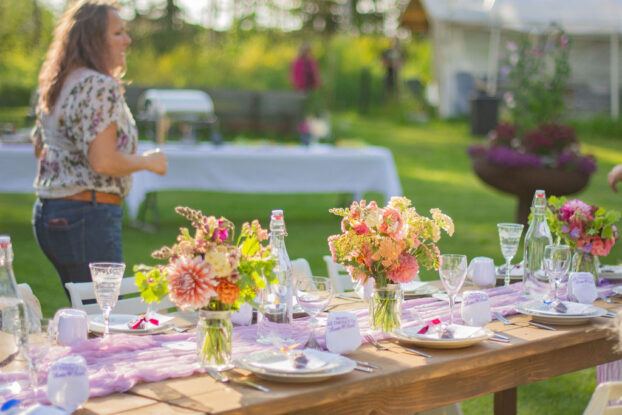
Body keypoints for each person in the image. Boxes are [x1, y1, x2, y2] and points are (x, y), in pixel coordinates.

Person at [31, 0, 167, 297]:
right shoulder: (98, 85)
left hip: (49, 212)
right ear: (93, 38)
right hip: (87, 214)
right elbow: (103, 161)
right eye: (118, 33)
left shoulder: (58, 82)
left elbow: (39, 147)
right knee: (103, 316)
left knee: (85, 311)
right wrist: (148, 161)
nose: (127, 40)